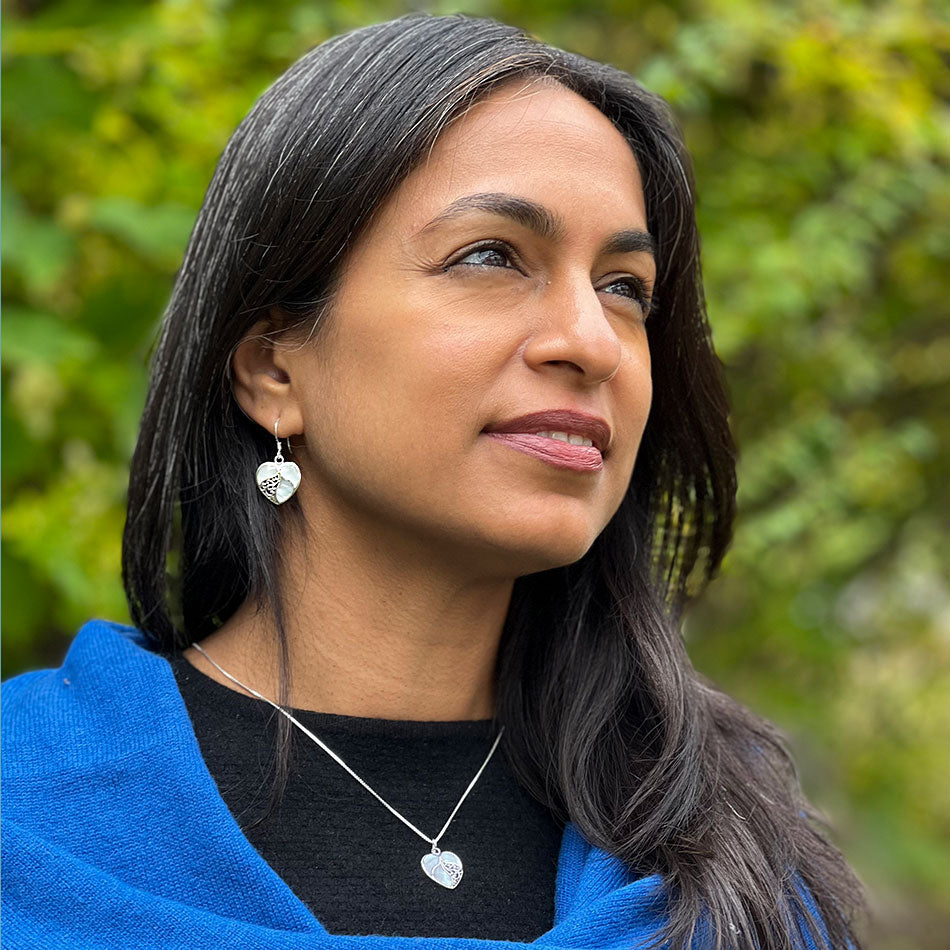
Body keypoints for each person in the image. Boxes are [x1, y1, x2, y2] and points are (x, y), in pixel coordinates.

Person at [1, 12, 864, 949]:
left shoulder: (738, 854)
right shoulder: (29, 810)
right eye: (491, 256)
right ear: (273, 369)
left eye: (626, 287)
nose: (589, 341)